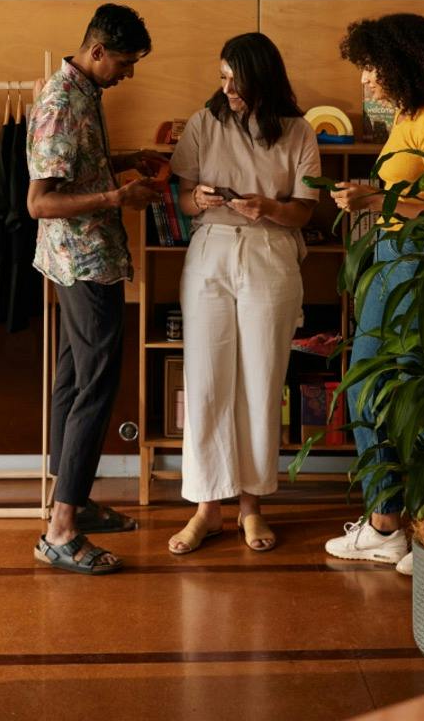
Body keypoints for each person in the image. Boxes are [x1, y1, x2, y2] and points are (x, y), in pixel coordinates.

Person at [166, 33, 320, 556]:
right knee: (206, 383)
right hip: (210, 249)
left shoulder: (299, 132)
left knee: (261, 381)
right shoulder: (203, 123)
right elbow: (183, 198)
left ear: (262, 77)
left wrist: (268, 209)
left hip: (271, 253)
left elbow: (304, 211)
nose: (225, 86)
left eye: (235, 78)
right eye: (222, 76)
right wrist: (200, 198)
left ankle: (252, 504)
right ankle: (207, 508)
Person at [28, 4, 168, 574]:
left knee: (73, 382)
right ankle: (60, 530)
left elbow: (76, 169)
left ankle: (75, 501)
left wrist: (128, 162)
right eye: (126, 63)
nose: (129, 74)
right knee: (95, 388)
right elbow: (40, 202)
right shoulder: (62, 103)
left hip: (81, 262)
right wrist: (118, 198)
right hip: (83, 263)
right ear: (97, 51)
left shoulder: (84, 93)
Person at [323, 12, 424, 575]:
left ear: (402, 63)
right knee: (365, 390)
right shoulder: (405, 120)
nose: (363, 79)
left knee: (412, 391)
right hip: (388, 262)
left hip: (416, 268)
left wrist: (375, 200)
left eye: (371, 67)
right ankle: (387, 522)